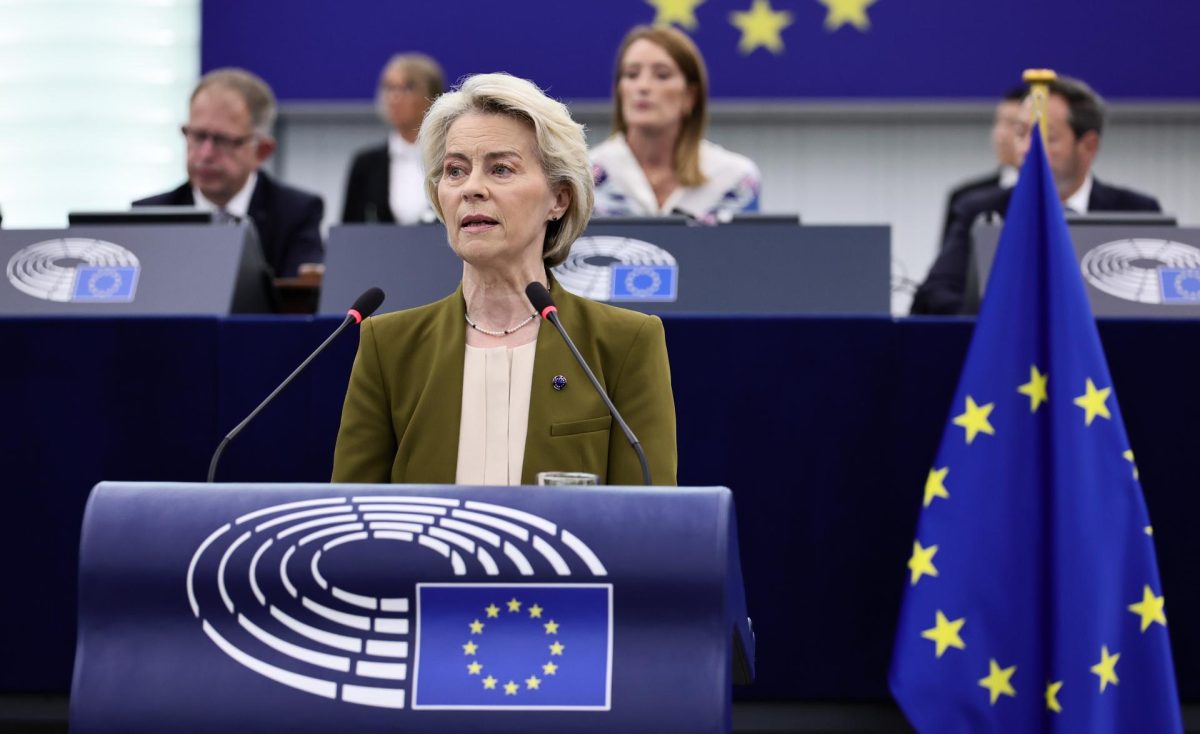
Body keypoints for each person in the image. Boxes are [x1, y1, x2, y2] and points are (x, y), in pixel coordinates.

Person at [331, 73, 677, 486]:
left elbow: (652, 528)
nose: (471, 188)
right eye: (455, 170)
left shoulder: (623, 344)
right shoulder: (388, 348)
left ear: (559, 198)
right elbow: (352, 526)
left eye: (500, 169)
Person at [911, 76, 1161, 315]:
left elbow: (1168, 302)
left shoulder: (1137, 213)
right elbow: (934, 296)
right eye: (1021, 134)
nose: (1027, 148)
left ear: (1088, 146)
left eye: (1046, 138)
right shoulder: (980, 211)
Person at [134, 68, 324, 278]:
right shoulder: (150, 216)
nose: (205, 154)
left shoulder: (296, 213)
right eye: (198, 136)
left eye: (222, 141)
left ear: (262, 151)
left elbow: (300, 302)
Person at [590, 25, 761, 222]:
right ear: (619, 91)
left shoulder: (735, 179)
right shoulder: (584, 176)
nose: (643, 86)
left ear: (691, 94)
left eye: (662, 75)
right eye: (631, 74)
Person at [341, 53, 445, 223]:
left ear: (432, 96)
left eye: (407, 88)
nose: (394, 97)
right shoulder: (366, 164)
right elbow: (350, 232)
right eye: (389, 87)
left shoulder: (450, 157)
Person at [938, 85, 1027, 242]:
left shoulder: (1064, 195)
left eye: (1013, 124)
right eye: (998, 122)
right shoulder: (966, 199)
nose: (1000, 134)